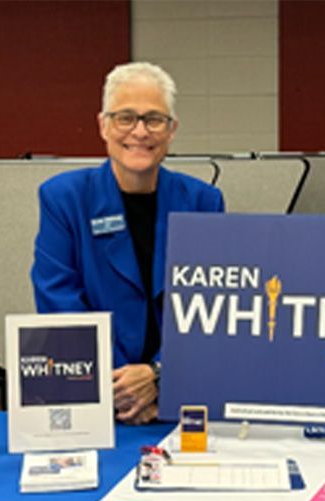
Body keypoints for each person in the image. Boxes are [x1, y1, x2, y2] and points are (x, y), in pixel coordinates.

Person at [32, 62, 224, 424]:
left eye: (154, 119)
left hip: (181, 397)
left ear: (172, 130)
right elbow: (59, 300)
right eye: (125, 118)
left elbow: (211, 308)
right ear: (103, 125)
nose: (139, 131)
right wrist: (123, 385)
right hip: (98, 395)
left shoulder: (204, 202)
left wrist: (157, 374)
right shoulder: (63, 199)